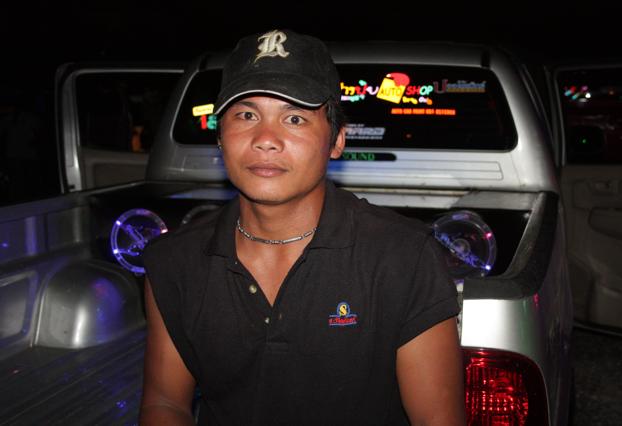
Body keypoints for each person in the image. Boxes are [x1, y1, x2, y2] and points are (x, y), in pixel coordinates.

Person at [139, 28, 464, 425]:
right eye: (246, 115)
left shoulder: (405, 258)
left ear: (337, 140)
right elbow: (165, 403)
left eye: (294, 118)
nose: (265, 139)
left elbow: (437, 418)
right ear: (220, 136)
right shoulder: (175, 261)